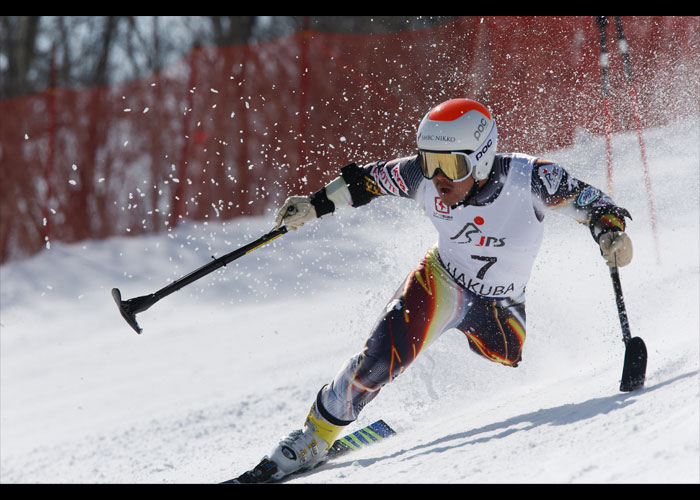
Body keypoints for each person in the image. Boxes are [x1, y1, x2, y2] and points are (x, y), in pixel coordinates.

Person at [258, 98, 633, 481]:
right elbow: (367, 180)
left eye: (452, 164)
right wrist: (314, 205)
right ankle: (314, 435)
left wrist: (610, 232)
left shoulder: (531, 178)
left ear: (482, 158)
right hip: (443, 280)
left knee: (508, 353)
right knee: (381, 357)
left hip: (501, 303)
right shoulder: (420, 179)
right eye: (428, 161)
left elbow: (590, 201)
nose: (438, 177)